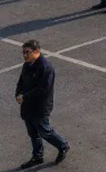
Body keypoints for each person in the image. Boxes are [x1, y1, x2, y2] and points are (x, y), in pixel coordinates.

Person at [15, 39, 69, 168]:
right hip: (27, 105)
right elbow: (21, 81)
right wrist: (18, 94)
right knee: (32, 132)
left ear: (37, 51)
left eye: (27, 52)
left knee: (45, 131)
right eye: (23, 52)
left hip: (40, 107)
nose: (25, 55)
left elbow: (43, 89)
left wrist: (25, 97)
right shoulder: (27, 65)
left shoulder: (46, 68)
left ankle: (63, 145)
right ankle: (37, 156)